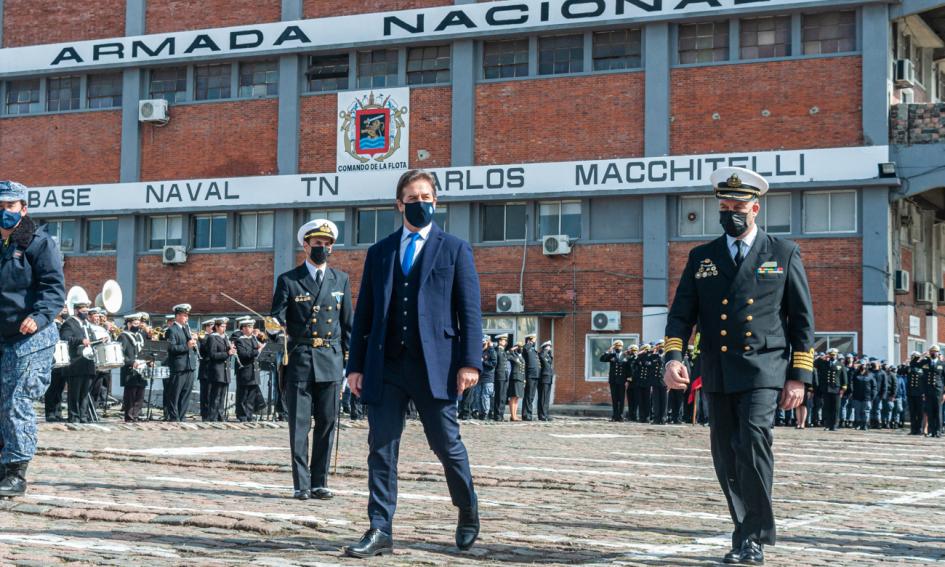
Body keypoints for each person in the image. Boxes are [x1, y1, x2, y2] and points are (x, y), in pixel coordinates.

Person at [662, 167, 814, 565]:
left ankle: (753, 537)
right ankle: (744, 530)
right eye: (724, 207)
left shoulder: (782, 253)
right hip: (717, 370)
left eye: (738, 208)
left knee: (752, 441)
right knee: (726, 457)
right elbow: (681, 316)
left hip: (763, 370)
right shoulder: (702, 257)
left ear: (755, 208)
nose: (730, 214)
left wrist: (799, 377)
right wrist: (674, 357)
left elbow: (801, 321)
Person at [345, 169, 482, 557]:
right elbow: (365, 315)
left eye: (426, 197)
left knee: (446, 444)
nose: (419, 203)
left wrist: (469, 362)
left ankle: (467, 508)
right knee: (382, 447)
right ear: (398, 204)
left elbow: (470, 312)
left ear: (435, 202)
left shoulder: (453, 248)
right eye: (412, 197)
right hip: (386, 365)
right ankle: (380, 527)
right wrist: (355, 366)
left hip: (434, 366)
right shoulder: (380, 252)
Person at [270, 218, 352, 501]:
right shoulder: (289, 280)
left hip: (330, 359)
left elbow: (347, 325)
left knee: (327, 424)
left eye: (327, 244)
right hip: (301, 359)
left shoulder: (340, 279)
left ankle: (320, 481)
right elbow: (276, 316)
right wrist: (272, 326)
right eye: (318, 244)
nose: (323, 248)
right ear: (305, 245)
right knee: (300, 426)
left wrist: (348, 364)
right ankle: (301, 483)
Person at [0, 181, 65, 497]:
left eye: (9, 206)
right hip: (3, 332)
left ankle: (16, 471)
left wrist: (38, 317)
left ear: (23, 209)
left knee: (16, 400)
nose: (4, 212)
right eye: (0, 207)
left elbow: (53, 290)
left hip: (31, 336)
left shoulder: (40, 243)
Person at [60, 296, 95, 423]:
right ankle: (74, 415)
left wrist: (100, 341)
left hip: (88, 362)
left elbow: (92, 339)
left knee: (85, 392)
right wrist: (81, 341)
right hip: (75, 363)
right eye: (83, 310)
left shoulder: (87, 325)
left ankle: (83, 415)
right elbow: (65, 338)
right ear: (76, 311)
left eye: (87, 310)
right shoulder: (69, 323)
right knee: (75, 392)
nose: (86, 312)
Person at [164, 304, 197, 421]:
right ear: (177, 316)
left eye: (187, 316)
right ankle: (174, 417)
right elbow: (171, 348)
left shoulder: (186, 329)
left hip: (189, 366)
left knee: (185, 394)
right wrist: (187, 346)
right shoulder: (171, 330)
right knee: (175, 394)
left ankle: (181, 417)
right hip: (178, 367)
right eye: (184, 315)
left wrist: (193, 342)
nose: (186, 318)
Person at [234, 318, 267, 422]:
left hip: (254, 370)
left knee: (252, 395)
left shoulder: (253, 339)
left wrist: (261, 346)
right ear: (243, 328)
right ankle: (242, 415)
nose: (251, 329)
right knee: (243, 395)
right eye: (248, 327)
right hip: (245, 371)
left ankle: (249, 414)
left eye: (251, 327)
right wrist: (258, 350)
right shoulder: (240, 340)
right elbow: (244, 355)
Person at [118, 313, 147, 422]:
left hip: (142, 368)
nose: (137, 326)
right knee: (131, 394)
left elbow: (144, 351)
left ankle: (136, 415)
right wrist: (131, 362)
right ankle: (129, 416)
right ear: (129, 324)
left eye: (138, 323)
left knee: (140, 393)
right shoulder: (123, 336)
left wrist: (149, 361)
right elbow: (120, 354)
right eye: (135, 323)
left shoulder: (140, 335)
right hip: (130, 369)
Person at [205, 317, 233, 422]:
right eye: (222, 326)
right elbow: (212, 355)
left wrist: (231, 350)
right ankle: (212, 416)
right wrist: (227, 353)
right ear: (216, 327)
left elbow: (227, 354)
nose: (224, 328)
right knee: (215, 394)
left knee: (222, 395)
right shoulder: (212, 338)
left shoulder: (225, 337)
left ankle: (220, 414)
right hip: (217, 370)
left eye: (225, 326)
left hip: (225, 370)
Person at [44, 308, 68, 422]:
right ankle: (50, 413)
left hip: (63, 359)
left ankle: (58, 412)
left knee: (60, 388)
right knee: (51, 388)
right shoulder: (51, 323)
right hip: (53, 358)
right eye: (62, 309)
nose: (64, 311)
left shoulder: (65, 324)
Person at [816, 348, 847, 431]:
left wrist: (843, 388)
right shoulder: (823, 363)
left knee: (836, 408)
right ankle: (827, 425)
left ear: (836, 355)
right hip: (826, 388)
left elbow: (844, 377)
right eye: (831, 355)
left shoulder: (840, 364)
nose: (832, 356)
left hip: (836, 389)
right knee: (827, 407)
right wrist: (821, 358)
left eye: (834, 355)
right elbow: (814, 364)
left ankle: (834, 425)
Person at [600, 339, 626, 421]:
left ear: (622, 347)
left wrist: (628, 380)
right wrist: (608, 351)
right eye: (616, 347)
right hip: (613, 380)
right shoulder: (611, 355)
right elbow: (602, 359)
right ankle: (615, 416)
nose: (618, 348)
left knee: (621, 399)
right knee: (614, 399)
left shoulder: (625, 356)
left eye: (619, 346)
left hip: (622, 381)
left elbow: (629, 369)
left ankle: (621, 416)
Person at [922, 345, 945, 438]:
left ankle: (938, 431)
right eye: (932, 351)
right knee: (930, 411)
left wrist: (944, 393)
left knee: (938, 411)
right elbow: (913, 364)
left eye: (935, 351)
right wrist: (922, 356)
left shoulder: (942, 364)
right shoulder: (925, 363)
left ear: (938, 353)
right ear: (929, 352)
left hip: (938, 390)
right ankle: (931, 431)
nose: (933, 353)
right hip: (928, 390)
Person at [850, 360, 877, 431]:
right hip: (857, 396)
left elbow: (874, 387)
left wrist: (872, 396)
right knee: (857, 411)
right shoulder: (855, 374)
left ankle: (865, 425)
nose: (863, 366)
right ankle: (858, 424)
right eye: (861, 365)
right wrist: (852, 392)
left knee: (866, 411)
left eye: (864, 365)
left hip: (867, 397)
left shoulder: (870, 375)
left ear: (867, 366)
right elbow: (852, 384)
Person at [197, 319, 214, 420]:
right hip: (205, 370)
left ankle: (212, 414)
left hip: (214, 370)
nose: (212, 327)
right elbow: (206, 350)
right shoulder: (203, 337)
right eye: (210, 326)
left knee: (213, 394)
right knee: (206, 394)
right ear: (206, 327)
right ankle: (205, 415)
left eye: (213, 325)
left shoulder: (215, 337)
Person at [491, 334, 510, 421]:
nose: (505, 342)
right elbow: (495, 364)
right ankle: (497, 415)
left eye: (505, 340)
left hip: (504, 376)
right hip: (499, 376)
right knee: (499, 396)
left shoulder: (503, 351)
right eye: (504, 340)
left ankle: (501, 415)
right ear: (499, 341)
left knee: (503, 397)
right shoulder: (497, 351)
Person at [521, 334, 540, 421]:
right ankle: (526, 414)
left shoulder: (533, 351)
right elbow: (525, 347)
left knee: (531, 396)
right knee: (528, 396)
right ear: (529, 340)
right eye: (533, 340)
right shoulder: (527, 349)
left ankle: (529, 413)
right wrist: (530, 342)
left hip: (535, 375)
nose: (535, 342)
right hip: (530, 375)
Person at [906, 352, 925, 435]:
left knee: (920, 412)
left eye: (915, 357)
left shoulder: (922, 367)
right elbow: (901, 370)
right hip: (911, 393)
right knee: (912, 412)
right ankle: (913, 429)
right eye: (913, 357)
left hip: (920, 394)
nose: (914, 358)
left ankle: (919, 429)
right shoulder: (910, 367)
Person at [507, 342, 526, 421]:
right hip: (515, 378)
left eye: (521, 347)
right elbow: (506, 355)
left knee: (517, 397)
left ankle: (515, 415)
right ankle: (512, 415)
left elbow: (523, 369)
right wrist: (512, 349)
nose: (520, 349)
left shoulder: (521, 357)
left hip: (520, 379)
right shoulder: (512, 355)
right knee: (513, 397)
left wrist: (524, 379)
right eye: (519, 347)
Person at [479, 336, 497, 421]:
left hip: (488, 377)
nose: (482, 344)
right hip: (480, 377)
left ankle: (486, 413)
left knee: (486, 395)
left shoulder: (491, 351)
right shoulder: (480, 351)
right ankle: (481, 412)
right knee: (479, 396)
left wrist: (484, 361)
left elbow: (493, 363)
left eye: (484, 342)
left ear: (487, 342)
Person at [538, 340, 555, 421]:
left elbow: (550, 361)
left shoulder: (547, 356)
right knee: (543, 397)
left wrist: (549, 353)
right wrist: (545, 351)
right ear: (545, 347)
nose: (550, 348)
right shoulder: (542, 354)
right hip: (544, 378)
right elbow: (541, 357)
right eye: (548, 346)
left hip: (548, 378)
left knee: (547, 398)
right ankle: (542, 415)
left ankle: (546, 413)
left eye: (550, 346)